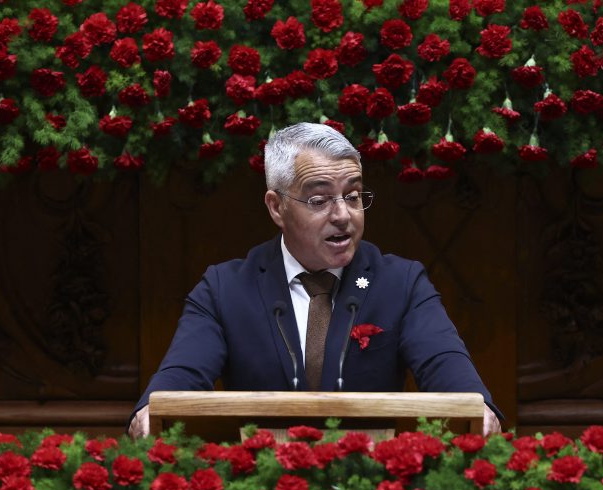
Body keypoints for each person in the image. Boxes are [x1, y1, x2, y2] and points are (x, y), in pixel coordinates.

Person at [128, 122, 501, 437]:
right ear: (277, 207)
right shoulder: (225, 289)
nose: (343, 216)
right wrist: (149, 416)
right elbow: (178, 381)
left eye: (352, 196)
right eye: (320, 201)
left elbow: (450, 371)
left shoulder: (401, 283)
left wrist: (480, 412)